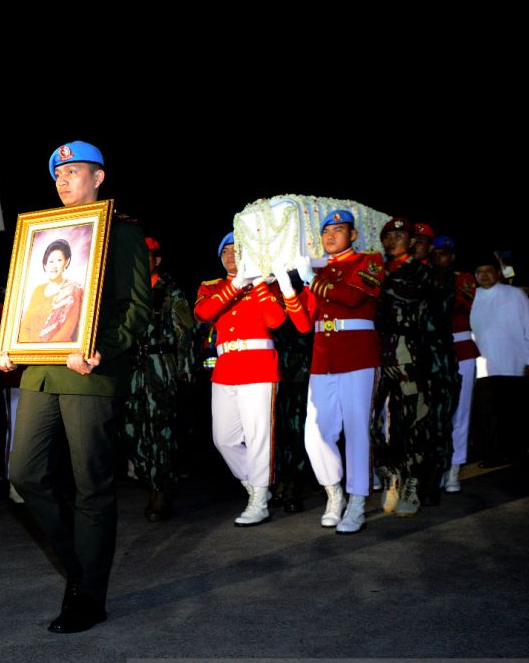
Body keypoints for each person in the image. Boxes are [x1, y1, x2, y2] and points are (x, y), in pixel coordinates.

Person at [0, 141, 151, 634]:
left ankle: (88, 596)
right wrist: (9, 344)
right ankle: (81, 568)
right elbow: (24, 306)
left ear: (99, 178)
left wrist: (103, 347)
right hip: (40, 371)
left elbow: (137, 309)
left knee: (92, 484)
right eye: (58, 174)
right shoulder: (42, 235)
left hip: (90, 372)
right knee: (24, 474)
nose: (63, 181)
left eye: (74, 172)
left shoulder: (122, 235)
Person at [195, 233, 310, 526]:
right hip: (225, 367)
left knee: (259, 436)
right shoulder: (212, 286)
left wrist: (257, 281)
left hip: (259, 365)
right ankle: (256, 484)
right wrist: (236, 284)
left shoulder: (267, 284)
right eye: (226, 251)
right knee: (224, 439)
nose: (231, 255)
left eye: (238, 249)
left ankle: (258, 499)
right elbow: (203, 312)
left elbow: (275, 320)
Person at [300, 210, 384, 534]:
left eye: (339, 230)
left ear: (353, 235)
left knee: (357, 430)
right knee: (316, 434)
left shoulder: (369, 260)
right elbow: (305, 322)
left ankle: (358, 500)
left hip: (358, 355)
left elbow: (351, 298)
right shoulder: (318, 270)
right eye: (326, 231)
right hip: (324, 358)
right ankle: (334, 492)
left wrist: (311, 280)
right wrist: (288, 287)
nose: (331, 236)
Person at [372, 217, 456, 517]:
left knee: (417, 424)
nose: (395, 240)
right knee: (368, 422)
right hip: (376, 357)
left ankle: (417, 483)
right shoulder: (375, 271)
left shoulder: (430, 275)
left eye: (402, 236)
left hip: (415, 358)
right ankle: (390, 471)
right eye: (389, 236)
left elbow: (433, 319)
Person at [123, 237, 196, 522]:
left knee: (160, 430)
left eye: (147, 255)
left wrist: (185, 371)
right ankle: (152, 475)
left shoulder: (170, 290)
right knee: (131, 430)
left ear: (157, 259)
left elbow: (186, 331)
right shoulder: (130, 291)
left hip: (161, 365)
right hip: (134, 369)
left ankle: (160, 490)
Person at [470, 252, 529, 467]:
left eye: (488, 271)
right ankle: (491, 455)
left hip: (514, 363)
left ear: (498, 273)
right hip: (483, 365)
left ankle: (518, 454)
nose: (484, 276)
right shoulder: (471, 296)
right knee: (486, 413)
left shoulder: (515, 295)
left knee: (514, 413)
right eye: (479, 272)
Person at [432, 235, 480, 491]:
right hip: (433, 351)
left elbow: (466, 305)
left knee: (460, 411)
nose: (444, 257)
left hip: (461, 348)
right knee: (437, 413)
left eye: (447, 254)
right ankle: (438, 465)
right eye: (439, 253)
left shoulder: (463, 279)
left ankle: (454, 467)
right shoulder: (424, 275)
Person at [18, 239, 84, 343]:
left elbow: (67, 330)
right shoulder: (38, 290)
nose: (54, 265)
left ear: (67, 262)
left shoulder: (73, 291)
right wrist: (27, 349)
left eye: (59, 260)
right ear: (45, 265)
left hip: (56, 353)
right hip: (29, 352)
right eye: (51, 261)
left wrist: (43, 352)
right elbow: (25, 326)